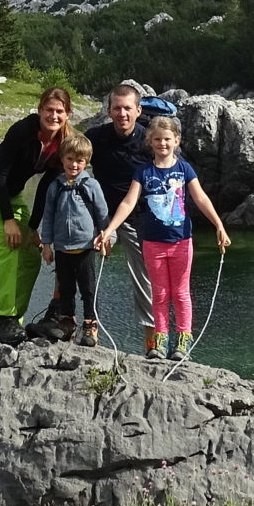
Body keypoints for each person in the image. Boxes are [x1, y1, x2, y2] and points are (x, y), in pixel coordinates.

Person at [96, 114, 230, 361]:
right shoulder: (143, 172)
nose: (162, 144)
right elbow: (128, 202)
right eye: (157, 139)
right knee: (159, 294)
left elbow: (200, 198)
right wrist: (109, 229)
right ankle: (159, 343)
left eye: (167, 139)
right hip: (152, 243)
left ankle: (182, 344)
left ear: (176, 140)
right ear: (150, 141)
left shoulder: (184, 169)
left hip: (181, 241)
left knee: (180, 293)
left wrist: (218, 225)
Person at [0, 85, 72, 343]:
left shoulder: (63, 143)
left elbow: (45, 186)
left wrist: (33, 228)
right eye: (48, 110)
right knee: (5, 244)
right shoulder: (23, 131)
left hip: (10, 195)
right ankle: (2, 317)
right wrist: (8, 220)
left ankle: (15, 319)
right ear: (39, 110)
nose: (53, 116)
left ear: (68, 114)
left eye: (59, 111)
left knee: (31, 255)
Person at [88, 82, 158, 355]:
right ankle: (84, 323)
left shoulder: (148, 141)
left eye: (127, 108)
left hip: (138, 215)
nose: (122, 114)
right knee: (77, 255)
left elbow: (173, 174)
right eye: (117, 108)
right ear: (109, 110)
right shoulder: (96, 137)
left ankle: (152, 342)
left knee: (146, 277)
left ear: (138, 110)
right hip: (102, 213)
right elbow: (70, 158)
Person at [34, 129, 110, 346]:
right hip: (62, 248)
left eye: (80, 161)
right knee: (66, 290)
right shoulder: (54, 187)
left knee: (88, 289)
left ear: (86, 162)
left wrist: (107, 239)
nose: (74, 165)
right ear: (62, 159)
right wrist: (46, 245)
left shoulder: (91, 186)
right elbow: (47, 217)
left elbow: (102, 215)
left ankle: (90, 326)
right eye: (70, 159)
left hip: (86, 247)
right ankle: (67, 323)